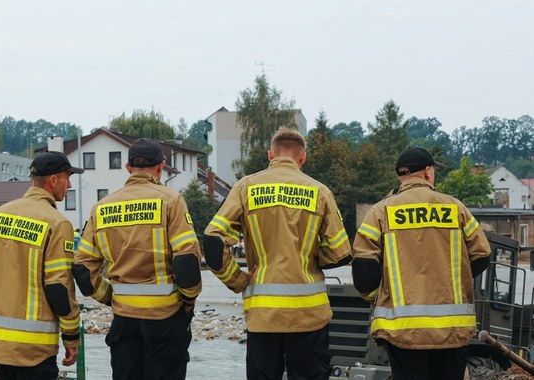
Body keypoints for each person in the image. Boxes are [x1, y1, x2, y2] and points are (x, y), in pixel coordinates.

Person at [203, 127, 352, 380]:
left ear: (270, 154)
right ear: (302, 158)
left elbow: (213, 241)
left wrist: (237, 280)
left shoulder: (246, 188)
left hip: (263, 316)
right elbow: (341, 252)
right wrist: (312, 256)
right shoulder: (319, 191)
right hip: (309, 316)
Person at [352, 146, 491, 380]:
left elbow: (363, 269)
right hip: (452, 328)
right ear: (428, 172)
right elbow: (482, 254)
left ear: (400, 175)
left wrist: (380, 295)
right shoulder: (455, 208)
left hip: (403, 330)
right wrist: (455, 281)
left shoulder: (381, 211)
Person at [73, 138, 202, 380]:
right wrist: (189, 298)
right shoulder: (171, 201)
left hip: (124, 321)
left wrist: (109, 297)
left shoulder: (102, 207)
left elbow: (82, 269)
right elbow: (186, 260)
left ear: (128, 168)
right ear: (160, 167)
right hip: (165, 318)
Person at [0, 151, 84, 380]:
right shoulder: (57, 223)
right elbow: (58, 289)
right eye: (67, 177)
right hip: (35, 349)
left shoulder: (0, 215)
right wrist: (71, 337)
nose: (70, 183)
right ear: (53, 180)